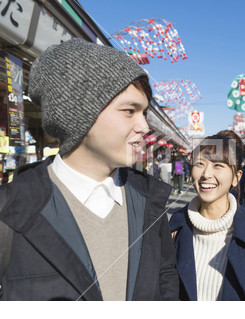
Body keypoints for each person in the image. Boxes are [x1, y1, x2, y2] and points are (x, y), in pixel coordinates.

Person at [0, 39, 178, 300]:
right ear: (77, 117)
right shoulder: (10, 209)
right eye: (130, 111)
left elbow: (165, 281)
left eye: (144, 113)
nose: (144, 126)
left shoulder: (149, 200)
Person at [169, 130, 245, 301]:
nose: (206, 174)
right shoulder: (173, 227)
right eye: (199, 164)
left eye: (218, 165)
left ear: (236, 177)